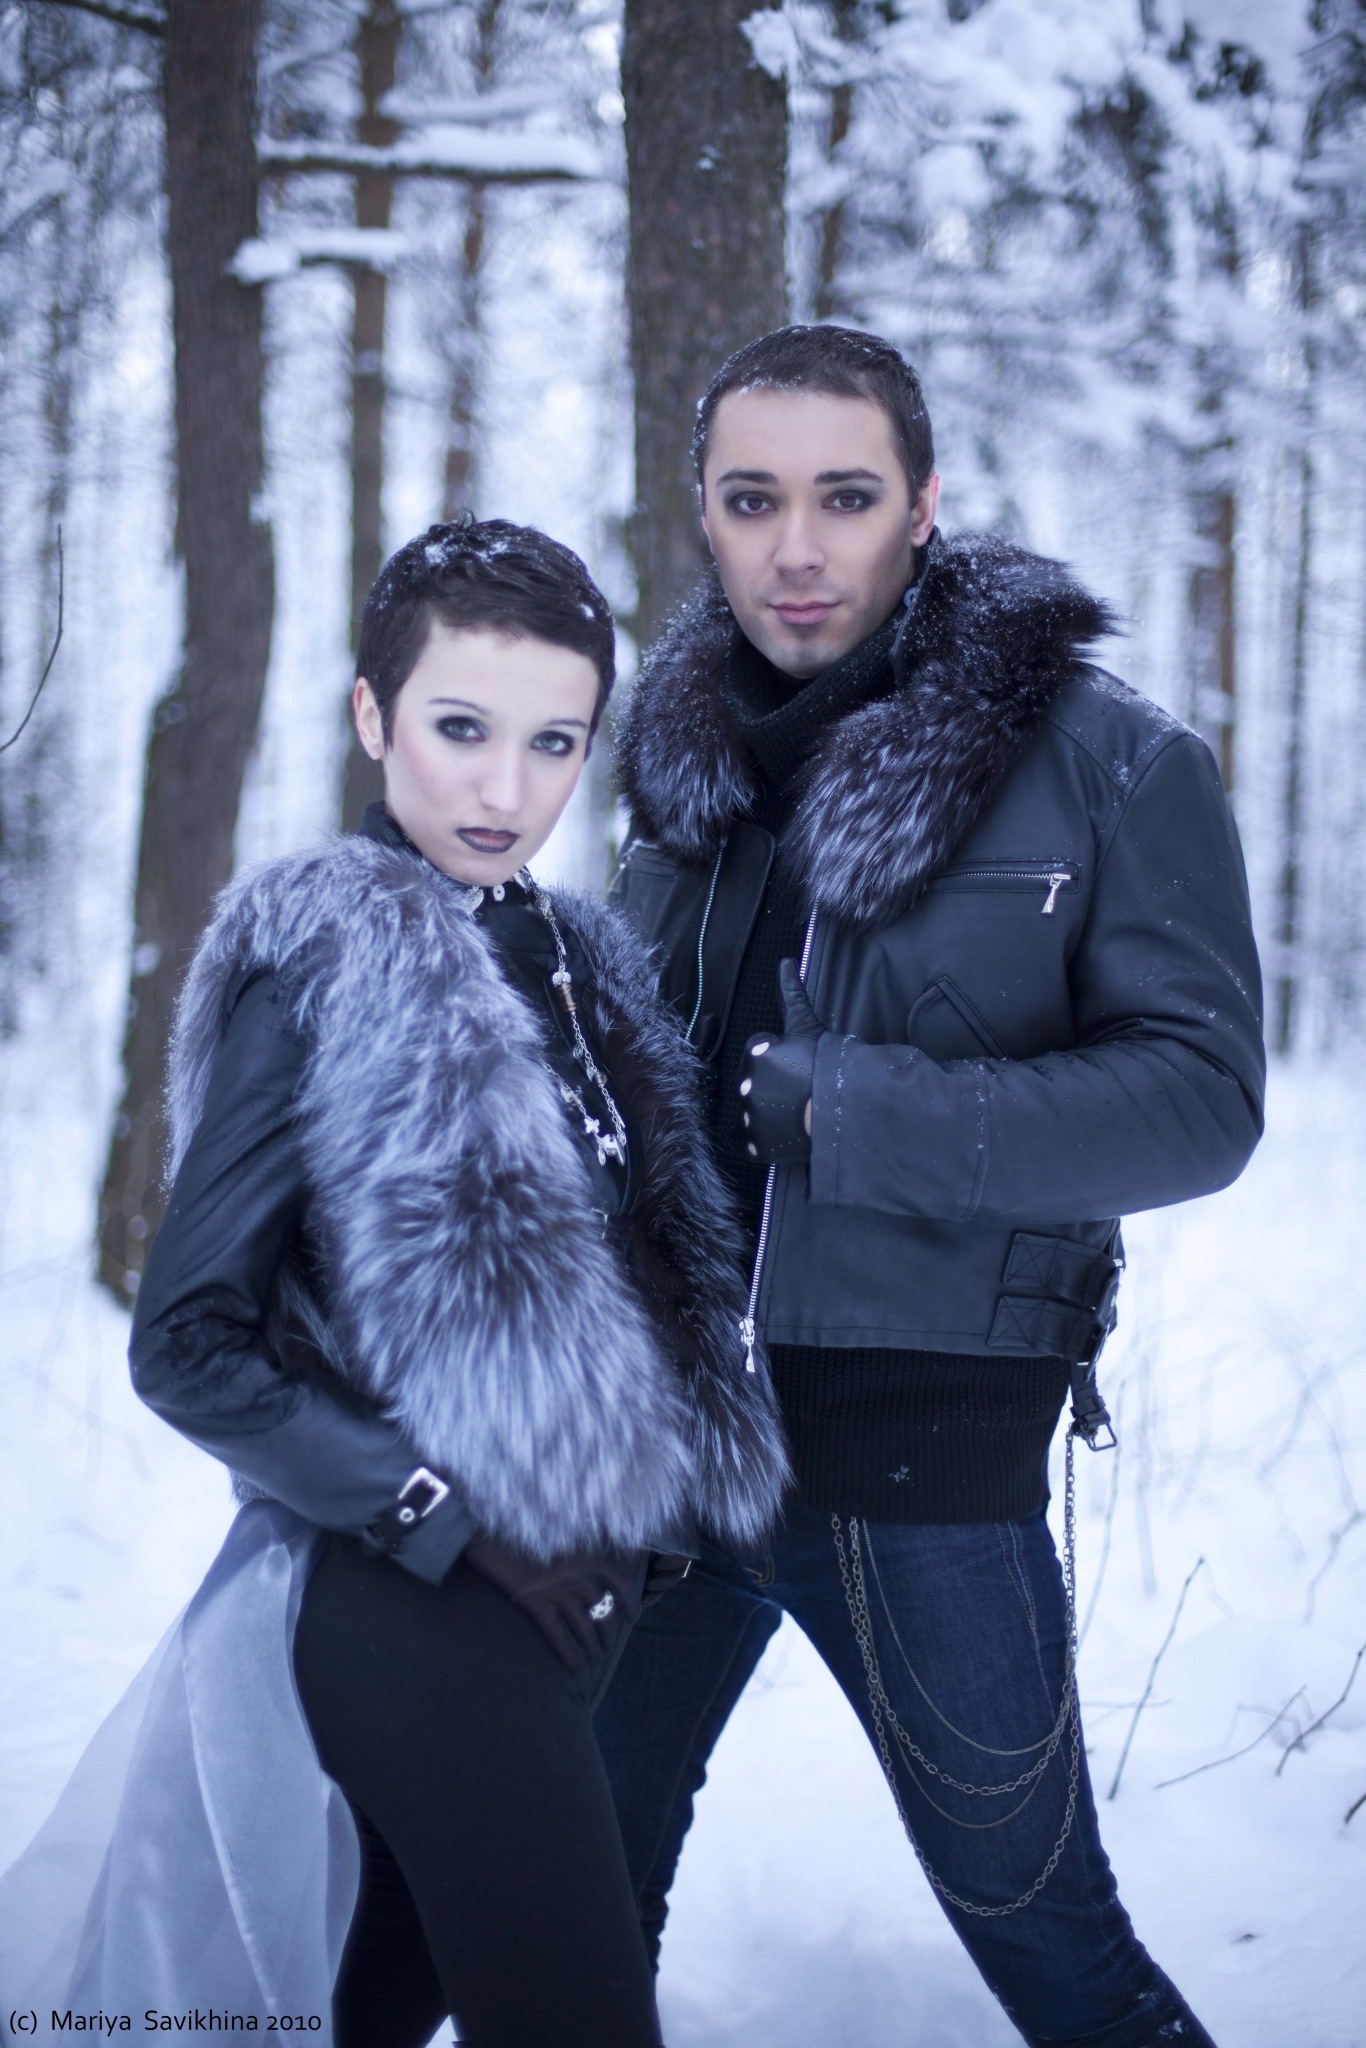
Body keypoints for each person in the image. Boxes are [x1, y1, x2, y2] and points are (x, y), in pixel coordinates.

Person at [0, 518, 787, 2048]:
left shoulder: (570, 962)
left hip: (575, 1602)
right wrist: (441, 1513)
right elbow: (187, 1343)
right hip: (417, 1600)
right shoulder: (326, 960)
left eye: (554, 742)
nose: (505, 790)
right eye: (460, 729)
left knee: (367, 2007)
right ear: (372, 715)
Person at [597, 325, 1265, 2047]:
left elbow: (1200, 1101)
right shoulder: (673, 767)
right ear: (702, 510)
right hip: (661, 1456)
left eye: (843, 496)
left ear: (921, 503)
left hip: (915, 1462)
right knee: (563, 1916)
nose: (795, 548)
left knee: (1056, 1952)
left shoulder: (1105, 762)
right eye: (751, 500)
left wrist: (869, 1115)